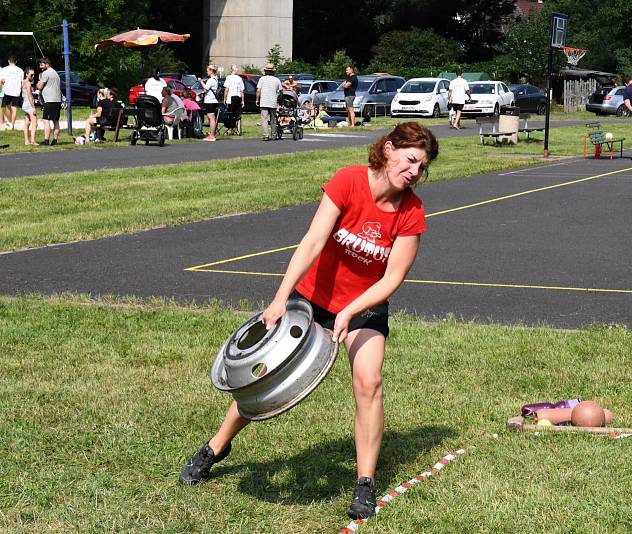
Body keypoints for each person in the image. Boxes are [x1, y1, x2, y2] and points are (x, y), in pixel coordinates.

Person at [178, 122, 440, 520]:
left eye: (421, 167)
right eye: (410, 160)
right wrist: (280, 297)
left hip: (365, 306)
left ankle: (365, 482)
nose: (414, 172)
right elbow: (313, 241)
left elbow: (392, 278)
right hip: (312, 299)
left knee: (369, 381)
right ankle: (216, 447)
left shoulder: (411, 212)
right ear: (388, 150)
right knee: (263, 378)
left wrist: (350, 312)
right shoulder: (348, 181)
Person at [36, 58, 62, 146]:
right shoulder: (55, 73)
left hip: (49, 100)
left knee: (46, 120)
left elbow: (40, 87)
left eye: (42, 65)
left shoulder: (46, 73)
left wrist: (37, 84)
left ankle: (46, 140)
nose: (40, 67)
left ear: (47, 64)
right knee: (56, 121)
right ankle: (55, 140)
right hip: (58, 100)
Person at [256, 63, 282, 141]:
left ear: (265, 71)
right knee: (273, 119)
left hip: (264, 101)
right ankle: (274, 135)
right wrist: (278, 99)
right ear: (273, 72)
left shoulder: (262, 79)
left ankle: (266, 135)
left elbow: (258, 90)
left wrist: (257, 99)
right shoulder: (277, 80)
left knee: (264, 119)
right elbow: (281, 91)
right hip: (273, 102)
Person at [0, 55, 24, 130]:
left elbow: (2, 81)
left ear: (8, 61)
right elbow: (22, 82)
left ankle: (10, 122)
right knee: (14, 109)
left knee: (7, 107)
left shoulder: (4, 69)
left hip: (7, 91)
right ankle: (12, 125)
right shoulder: (20, 70)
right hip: (16, 91)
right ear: (16, 62)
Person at [199, 65, 219, 141]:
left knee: (211, 118)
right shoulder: (215, 79)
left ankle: (212, 136)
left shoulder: (211, 80)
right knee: (211, 118)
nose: (207, 72)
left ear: (211, 71)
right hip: (213, 100)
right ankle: (212, 134)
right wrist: (202, 82)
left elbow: (205, 89)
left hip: (210, 101)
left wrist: (201, 82)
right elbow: (207, 88)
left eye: (207, 70)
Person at [20, 67, 38, 145]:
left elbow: (23, 95)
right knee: (35, 123)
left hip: (24, 104)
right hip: (29, 105)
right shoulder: (28, 83)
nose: (33, 76)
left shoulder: (23, 82)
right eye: (31, 75)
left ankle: (26, 141)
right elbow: (30, 96)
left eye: (33, 75)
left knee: (27, 123)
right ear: (26, 74)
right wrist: (33, 107)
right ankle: (33, 141)